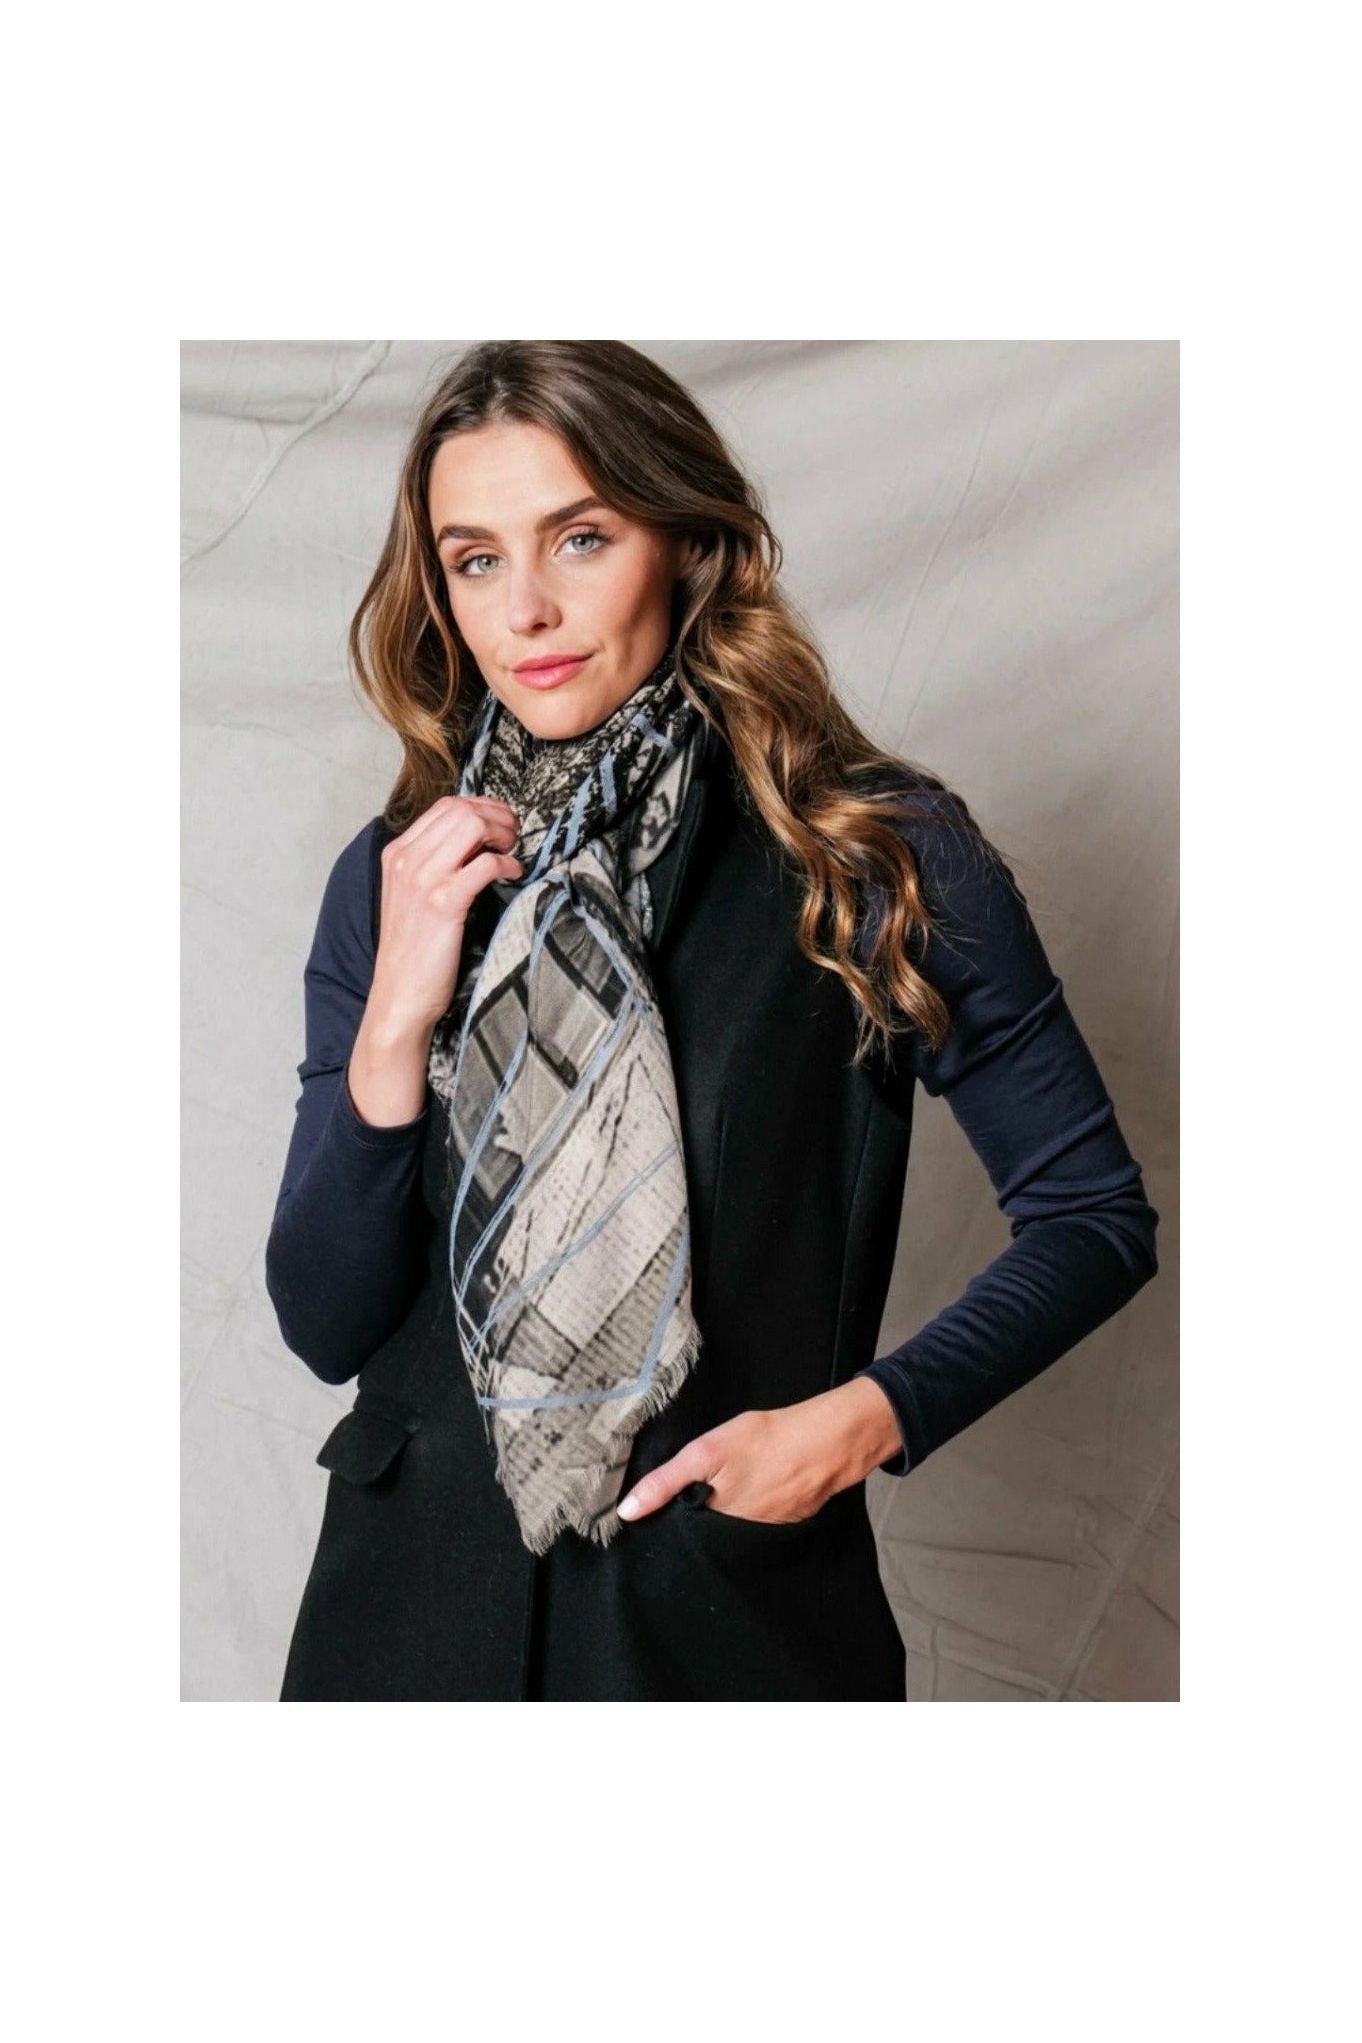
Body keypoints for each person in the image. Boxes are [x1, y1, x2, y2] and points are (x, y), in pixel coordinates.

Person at [264, 339, 1159, 1702]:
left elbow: (1092, 1218)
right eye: (476, 560)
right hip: (400, 1631)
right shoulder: (401, 876)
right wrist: (396, 1021)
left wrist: (856, 1427)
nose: (528, 609)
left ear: (684, 542)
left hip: (717, 1624)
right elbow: (324, 1321)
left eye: (580, 538)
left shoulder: (868, 853)